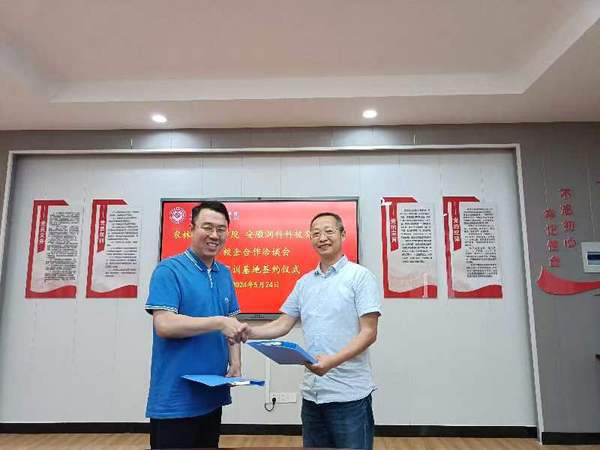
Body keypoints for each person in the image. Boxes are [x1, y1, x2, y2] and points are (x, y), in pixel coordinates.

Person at [246, 212, 382, 450]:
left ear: (343, 234)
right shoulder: (304, 283)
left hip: (349, 394)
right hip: (313, 394)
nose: (322, 238)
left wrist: (332, 361)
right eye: (316, 233)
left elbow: (369, 332)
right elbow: (283, 324)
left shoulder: (360, 277)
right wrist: (247, 332)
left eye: (329, 231)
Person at [145, 201, 248, 449]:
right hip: (175, 399)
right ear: (191, 229)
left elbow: (231, 323)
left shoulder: (224, 274)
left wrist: (235, 362)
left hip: (211, 395)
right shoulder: (169, 270)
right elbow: (165, 324)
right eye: (207, 227)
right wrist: (218, 322)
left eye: (221, 229)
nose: (214, 235)